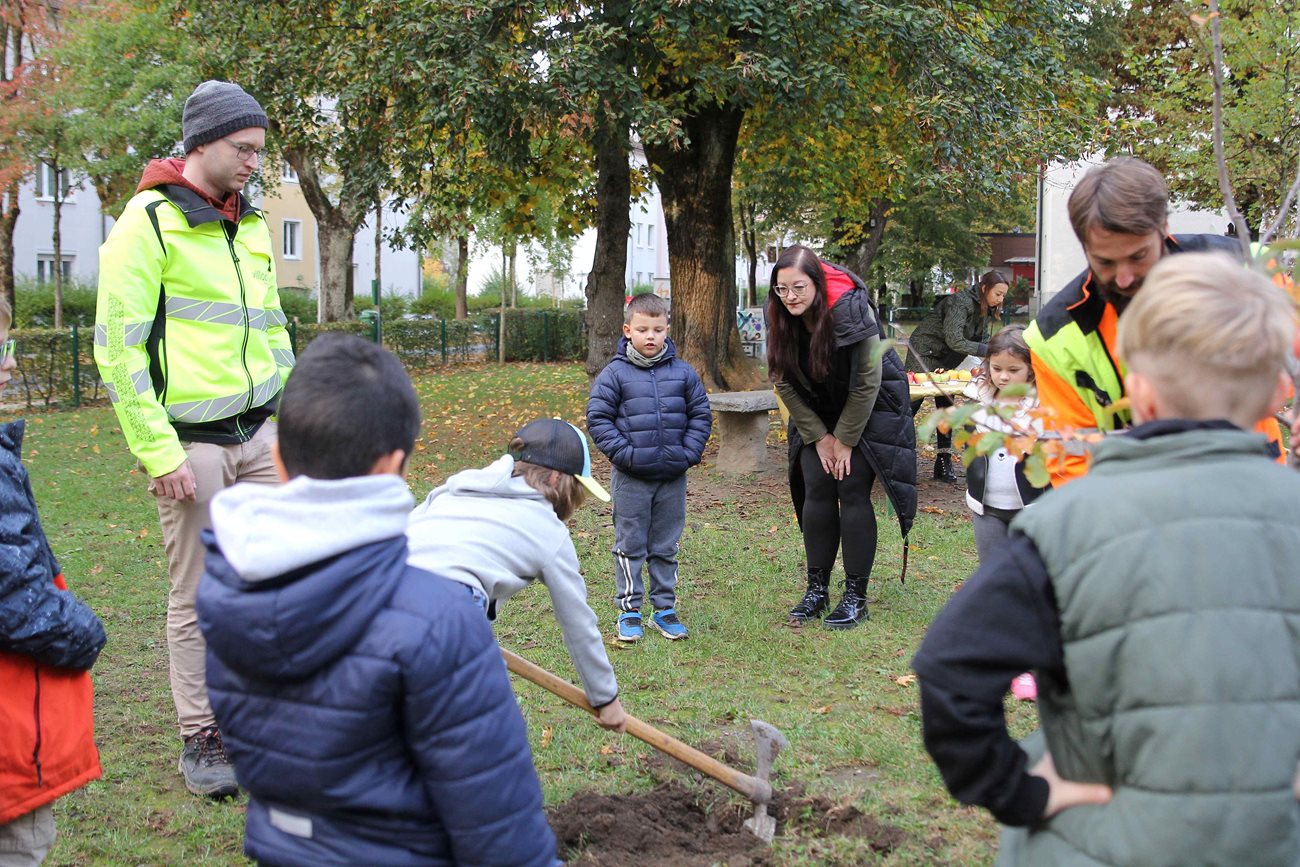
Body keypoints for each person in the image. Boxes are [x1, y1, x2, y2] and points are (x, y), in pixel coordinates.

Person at [912, 253, 1300, 866]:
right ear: (1278, 391)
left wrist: (1019, 791)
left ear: (1136, 387)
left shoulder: (1065, 525)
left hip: (1096, 842)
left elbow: (949, 669)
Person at [196, 334, 558, 866]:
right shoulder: (441, 620)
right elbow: (500, 828)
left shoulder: (226, 593)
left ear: (276, 459)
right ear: (394, 465)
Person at [93, 80, 292, 797]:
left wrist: (287, 423)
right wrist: (159, 451)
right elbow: (118, 349)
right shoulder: (145, 223)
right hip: (191, 445)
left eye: (259, 152)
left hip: (259, 433)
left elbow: (272, 332)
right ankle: (203, 734)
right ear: (202, 142)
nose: (252, 164)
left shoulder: (253, 222)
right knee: (199, 593)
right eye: (243, 149)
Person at [1023, 155, 1284, 485]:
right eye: (1105, 262)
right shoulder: (1054, 336)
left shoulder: (1245, 270)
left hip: (1255, 483)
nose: (1124, 278)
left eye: (1138, 256)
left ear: (1164, 229)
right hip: (1139, 506)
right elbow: (1072, 456)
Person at [407, 417, 629, 732]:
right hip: (449, 610)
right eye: (577, 488)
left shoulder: (453, 489)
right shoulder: (547, 530)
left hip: (378, 593)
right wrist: (606, 698)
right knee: (485, 731)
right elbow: (578, 623)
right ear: (555, 479)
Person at [0, 299, 107, 867]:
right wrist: (82, 630)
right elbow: (11, 594)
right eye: (1, 348)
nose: (11, 364)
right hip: (8, 753)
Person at [765, 245, 917, 630]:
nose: (790, 297)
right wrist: (819, 436)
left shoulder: (851, 309)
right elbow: (781, 377)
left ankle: (856, 596)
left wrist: (845, 439)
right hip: (815, 408)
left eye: (798, 287)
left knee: (850, 486)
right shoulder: (779, 313)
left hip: (868, 403)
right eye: (782, 290)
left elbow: (868, 380)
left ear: (817, 284)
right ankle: (818, 589)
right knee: (816, 482)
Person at [587, 293, 712, 643]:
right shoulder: (614, 374)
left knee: (665, 545)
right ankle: (629, 610)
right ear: (628, 330)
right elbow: (599, 419)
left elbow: (700, 415)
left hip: (672, 478)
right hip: (631, 479)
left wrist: (687, 453)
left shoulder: (684, 373)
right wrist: (625, 455)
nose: (651, 336)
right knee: (630, 544)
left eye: (658, 329)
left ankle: (664, 608)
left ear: (667, 329)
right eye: (643, 329)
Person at [905, 269, 1008, 482]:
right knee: (911, 403)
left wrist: (993, 350)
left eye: (1003, 295)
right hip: (925, 351)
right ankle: (894, 457)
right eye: (998, 294)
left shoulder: (984, 308)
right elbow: (955, 340)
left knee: (946, 404)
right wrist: (986, 350)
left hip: (948, 357)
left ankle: (943, 462)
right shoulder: (960, 303)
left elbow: (983, 338)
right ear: (984, 288)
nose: (1000, 299)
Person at [962, 326, 1047, 564]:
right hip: (987, 508)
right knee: (992, 572)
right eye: (996, 369)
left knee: (1030, 572)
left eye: (1013, 370)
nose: (1003, 376)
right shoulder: (979, 402)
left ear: (1031, 370)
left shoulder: (1041, 407)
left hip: (1032, 510)